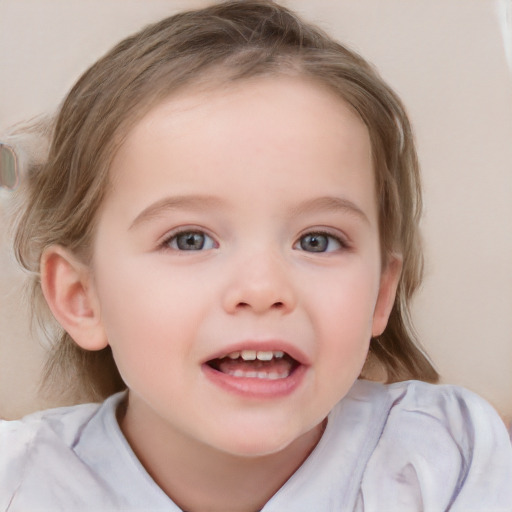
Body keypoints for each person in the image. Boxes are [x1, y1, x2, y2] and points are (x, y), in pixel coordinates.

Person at [1, 1, 511, 510]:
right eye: (189, 240)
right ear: (81, 298)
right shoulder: (22, 483)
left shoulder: (443, 459)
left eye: (318, 241)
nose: (264, 289)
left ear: (380, 292)